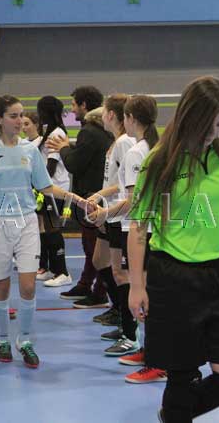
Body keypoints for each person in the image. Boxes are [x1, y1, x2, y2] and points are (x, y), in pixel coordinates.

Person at [128, 77, 219, 421]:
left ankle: (173, 414)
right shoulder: (160, 161)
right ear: (188, 117)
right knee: (182, 376)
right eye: (207, 124)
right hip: (173, 277)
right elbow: (138, 227)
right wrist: (136, 285)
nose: (213, 132)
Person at [0, 95, 86, 367]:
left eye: (21, 115)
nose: (20, 120)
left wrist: (75, 198)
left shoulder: (30, 150)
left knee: (27, 285)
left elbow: (45, 186)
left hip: (26, 222)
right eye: (13, 116)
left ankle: (24, 340)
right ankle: (3, 339)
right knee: (1, 286)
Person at [47, 86, 112, 309]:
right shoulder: (101, 131)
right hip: (98, 195)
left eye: (74, 104)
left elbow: (74, 164)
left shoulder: (89, 132)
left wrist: (64, 149)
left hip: (92, 197)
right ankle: (86, 284)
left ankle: (100, 292)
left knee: (95, 248)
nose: (72, 109)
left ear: (84, 105)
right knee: (91, 246)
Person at [85, 95, 134, 339]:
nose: (102, 115)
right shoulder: (116, 141)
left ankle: (127, 321)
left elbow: (124, 184)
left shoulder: (125, 142)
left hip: (118, 212)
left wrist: (101, 197)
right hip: (110, 210)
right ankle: (119, 309)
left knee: (120, 272)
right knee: (99, 260)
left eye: (104, 111)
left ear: (111, 115)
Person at [33, 96, 72, 288]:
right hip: (46, 189)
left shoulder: (57, 133)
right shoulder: (49, 132)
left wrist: (35, 181)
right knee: (46, 228)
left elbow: (51, 166)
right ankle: (50, 269)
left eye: (40, 111)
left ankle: (63, 272)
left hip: (56, 188)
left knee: (53, 229)